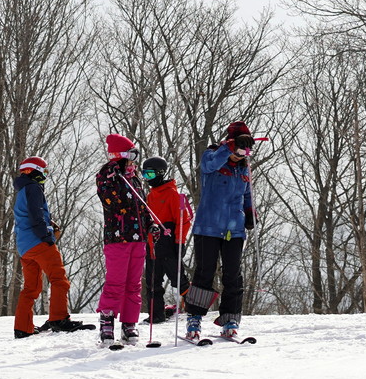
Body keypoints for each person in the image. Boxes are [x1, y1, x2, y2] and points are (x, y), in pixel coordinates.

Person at [184, 121, 256, 342]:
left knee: (233, 274)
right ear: (231, 145)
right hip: (208, 226)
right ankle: (194, 317)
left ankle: (230, 318)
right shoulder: (213, 156)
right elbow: (209, 166)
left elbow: (246, 194)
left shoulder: (244, 168)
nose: (241, 154)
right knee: (204, 271)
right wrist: (227, 147)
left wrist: (250, 211)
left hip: (234, 229)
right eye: (239, 149)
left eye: (246, 150)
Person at [12, 156, 88, 338]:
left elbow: (28, 214)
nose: (45, 176)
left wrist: (48, 223)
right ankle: (59, 319)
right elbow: (36, 215)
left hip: (24, 247)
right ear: (35, 171)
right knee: (59, 279)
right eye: (44, 172)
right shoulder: (33, 188)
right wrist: (46, 237)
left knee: (31, 288)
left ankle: (23, 327)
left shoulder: (22, 190)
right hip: (39, 243)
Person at [96, 133, 154, 345]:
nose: (133, 161)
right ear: (119, 156)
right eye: (130, 155)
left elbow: (143, 206)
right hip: (118, 237)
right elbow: (110, 201)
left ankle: (129, 323)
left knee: (134, 283)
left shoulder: (134, 178)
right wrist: (114, 178)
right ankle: (107, 321)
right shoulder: (107, 175)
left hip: (138, 238)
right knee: (116, 281)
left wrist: (151, 225)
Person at [139, 156, 193, 324]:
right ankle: (156, 314)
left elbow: (183, 220)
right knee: (153, 282)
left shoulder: (171, 194)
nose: (147, 179)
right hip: (153, 245)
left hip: (169, 246)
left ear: (160, 173)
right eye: (144, 175)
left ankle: (195, 308)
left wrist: (179, 242)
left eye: (149, 174)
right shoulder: (149, 195)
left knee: (178, 279)